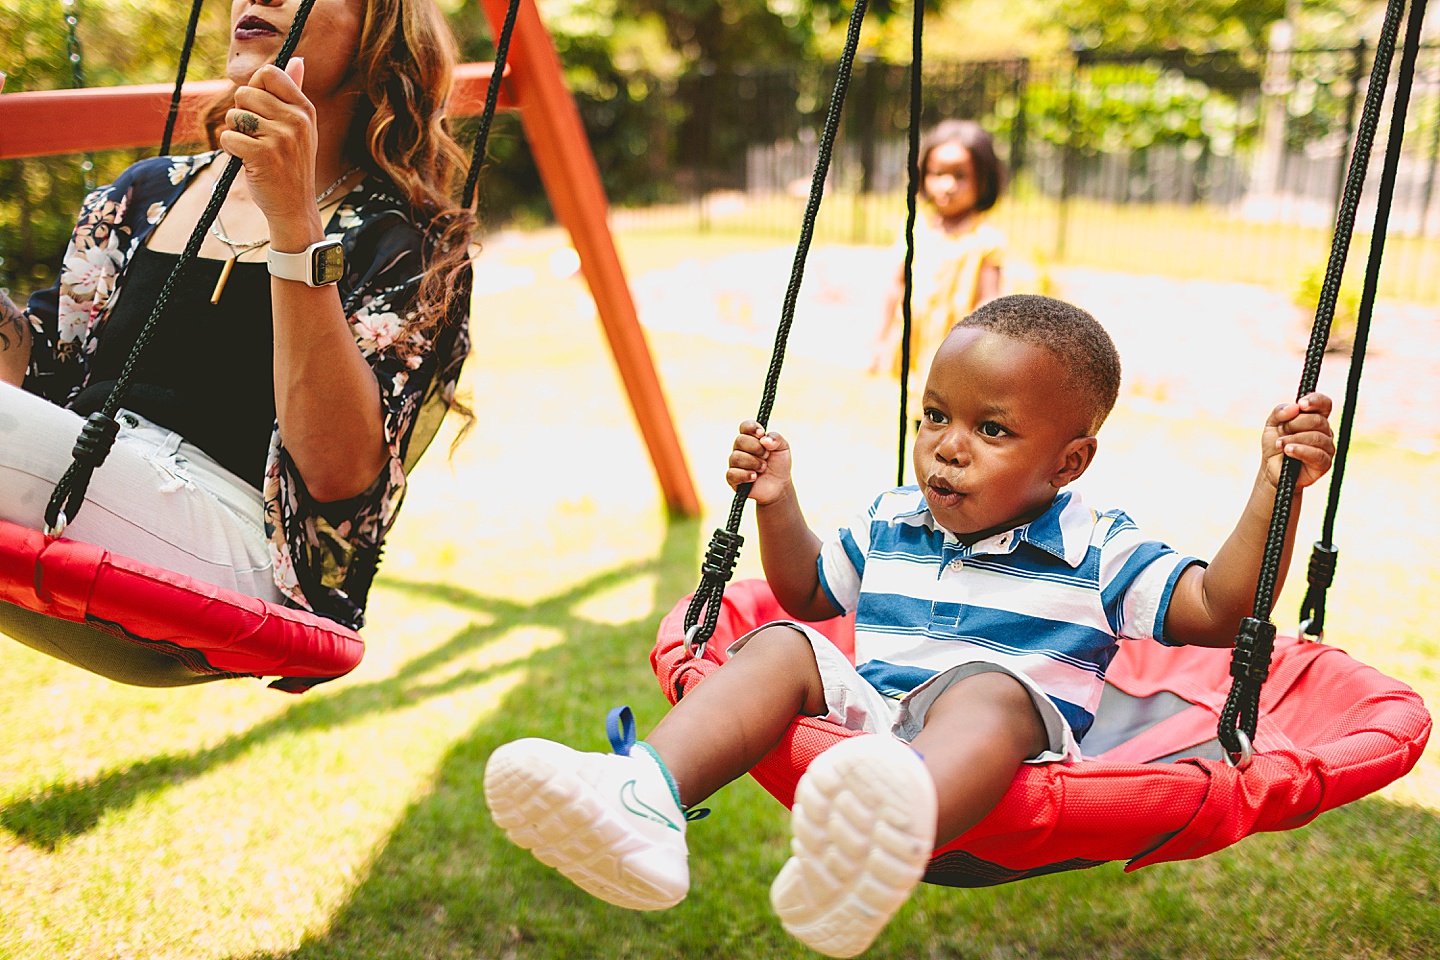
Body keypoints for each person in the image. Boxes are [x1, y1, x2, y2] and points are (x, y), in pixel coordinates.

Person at [483, 294, 1336, 958]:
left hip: (1005, 752)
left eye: (989, 428)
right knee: (781, 642)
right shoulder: (893, 517)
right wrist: (778, 504)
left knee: (994, 689)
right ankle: (643, 799)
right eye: (935, 416)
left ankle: (884, 838)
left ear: (1067, 462)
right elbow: (812, 593)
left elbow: (1219, 611)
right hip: (877, 726)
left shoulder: (1098, 545)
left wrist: (1276, 487)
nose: (946, 447)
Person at [0, 0, 473, 631]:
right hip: (87, 478)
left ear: (377, 45)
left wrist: (295, 224)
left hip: (242, 545)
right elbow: (29, 377)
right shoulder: (144, 193)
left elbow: (341, 476)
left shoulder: (406, 242)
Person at [870, 119, 1007, 437]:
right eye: (938, 174)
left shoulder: (986, 240)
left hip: (959, 350)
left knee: (950, 422)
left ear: (983, 180)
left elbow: (991, 301)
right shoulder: (915, 229)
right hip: (918, 345)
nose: (947, 185)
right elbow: (896, 286)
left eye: (960, 176)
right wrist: (879, 340)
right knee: (920, 420)